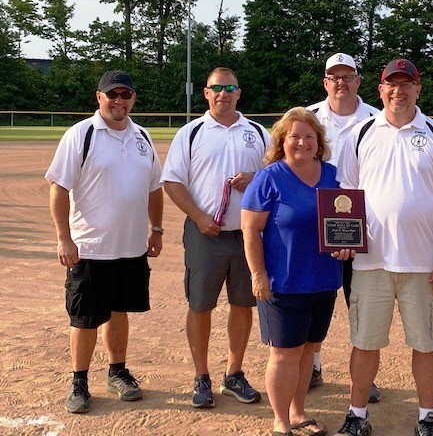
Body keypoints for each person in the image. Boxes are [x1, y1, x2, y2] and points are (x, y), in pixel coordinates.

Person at [334, 59, 433, 436]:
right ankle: (357, 415)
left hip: (424, 264)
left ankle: (427, 416)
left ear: (417, 88)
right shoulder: (360, 134)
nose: (398, 91)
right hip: (369, 263)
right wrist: (344, 240)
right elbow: (346, 193)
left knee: (426, 344)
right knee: (364, 343)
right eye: (391, 84)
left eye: (406, 83)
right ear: (379, 90)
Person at [45, 70, 164, 414]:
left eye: (125, 94)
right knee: (84, 318)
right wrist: (64, 238)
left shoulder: (142, 136)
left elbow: (154, 187)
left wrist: (156, 229)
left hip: (130, 247)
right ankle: (79, 382)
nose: (119, 101)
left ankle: (118, 372)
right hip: (90, 246)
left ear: (133, 98)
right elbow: (59, 187)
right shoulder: (80, 134)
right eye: (112, 94)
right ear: (99, 97)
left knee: (119, 310)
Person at [241, 107, 354, 436]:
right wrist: (257, 274)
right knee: (284, 353)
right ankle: (280, 420)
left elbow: (345, 224)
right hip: (283, 282)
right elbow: (250, 229)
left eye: (309, 137)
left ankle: (298, 410)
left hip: (322, 280)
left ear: (318, 142)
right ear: (282, 141)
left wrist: (346, 245)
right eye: (294, 137)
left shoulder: (333, 175)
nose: (302, 143)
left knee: (308, 350)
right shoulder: (270, 177)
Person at [161, 67, 269, 409]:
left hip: (248, 236)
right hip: (204, 234)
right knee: (200, 305)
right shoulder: (191, 133)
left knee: (242, 304)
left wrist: (254, 176)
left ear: (239, 93)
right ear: (206, 93)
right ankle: (201, 377)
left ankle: (233, 374)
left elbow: (276, 174)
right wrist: (198, 216)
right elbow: (172, 182)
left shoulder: (258, 132)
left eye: (230, 88)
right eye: (216, 88)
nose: (223, 93)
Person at [306, 52, 380, 401]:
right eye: (334, 76)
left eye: (347, 76)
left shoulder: (378, 119)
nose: (340, 82)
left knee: (359, 300)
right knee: (316, 298)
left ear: (358, 81)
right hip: (311, 225)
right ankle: (313, 364)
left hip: (360, 227)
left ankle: (362, 376)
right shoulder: (307, 118)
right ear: (325, 82)